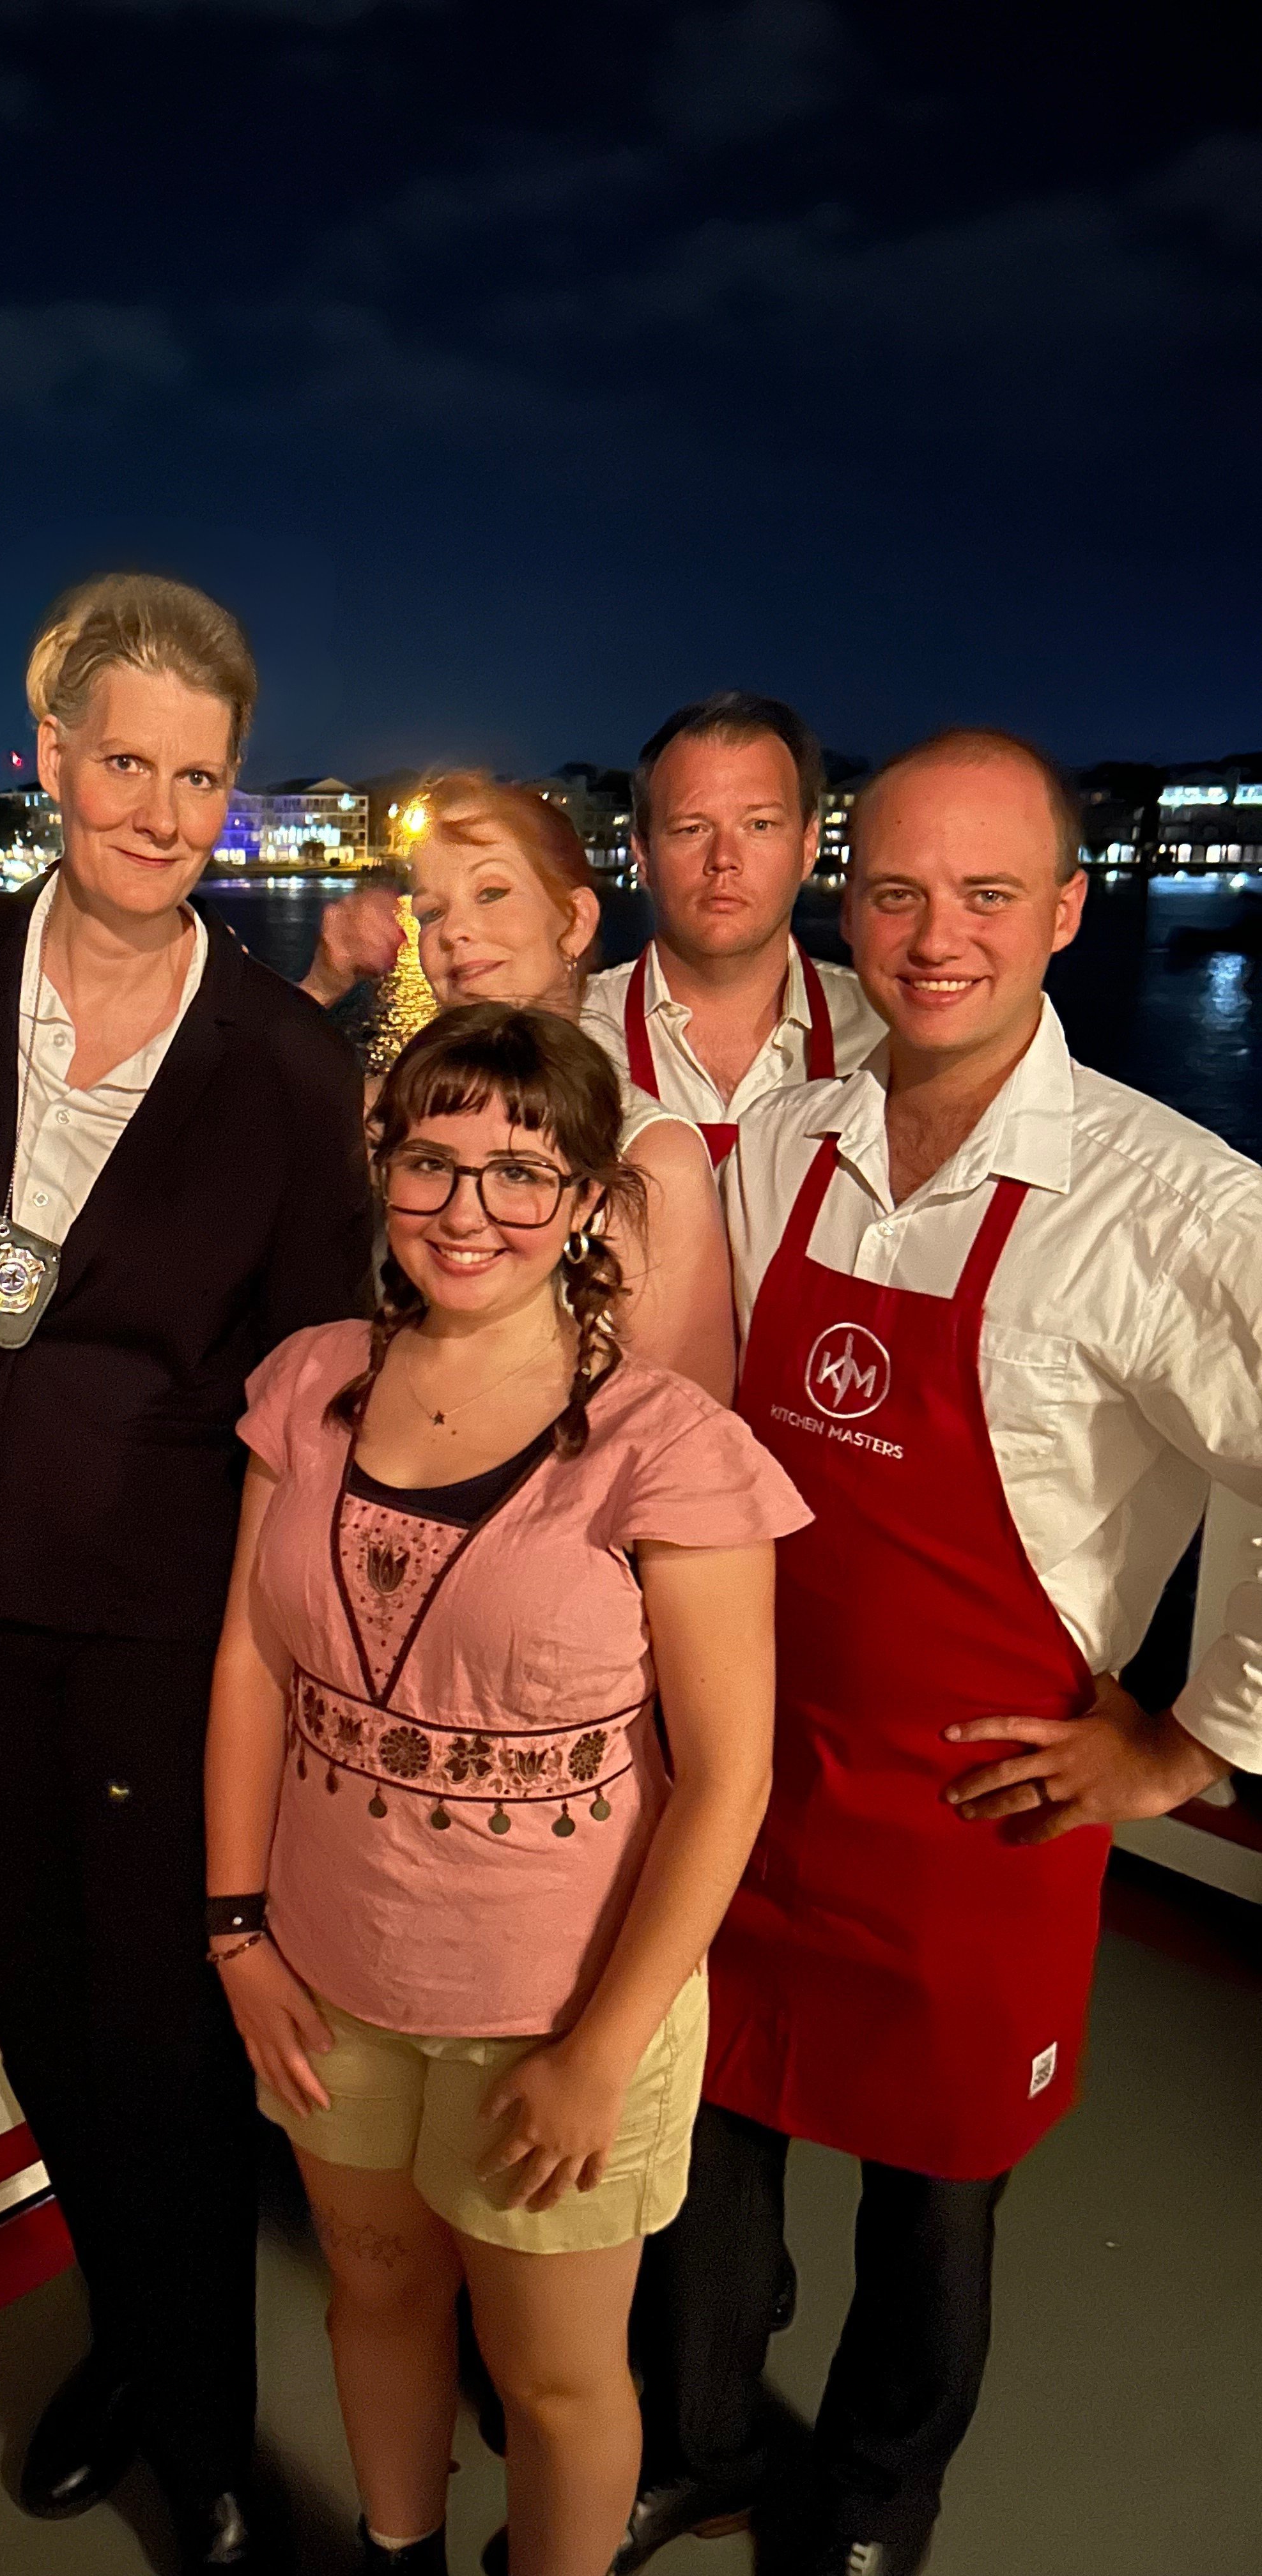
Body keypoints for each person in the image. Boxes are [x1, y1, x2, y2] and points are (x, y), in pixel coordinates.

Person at [0, 573, 373, 2570]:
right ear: (49, 757)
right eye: (125, 763)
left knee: (165, 2054)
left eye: (198, 779)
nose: (158, 812)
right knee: (39, 2015)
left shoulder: (286, 1068)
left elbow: (311, 1397)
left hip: (157, 1636)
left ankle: (204, 2451)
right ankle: (133, 2339)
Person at [624, 730, 1262, 2576]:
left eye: (988, 894)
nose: (934, 937)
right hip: (752, 1762)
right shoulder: (791, 1146)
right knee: (709, 2137)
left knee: (935, 2195)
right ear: (851, 901)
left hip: (978, 1800)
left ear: (1067, 910)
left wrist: (1196, 1741)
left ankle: (877, 2502)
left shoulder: (1169, 1204)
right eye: (897, 892)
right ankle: (701, 2443)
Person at [204, 1005, 808, 2576]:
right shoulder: (310, 1386)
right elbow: (253, 1667)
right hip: (328, 1978)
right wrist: (237, 1931)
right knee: (377, 2295)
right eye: (432, 1161)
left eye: (522, 1173)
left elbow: (727, 1778)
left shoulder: (667, 1449)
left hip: (553, 2004)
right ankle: (398, 2548)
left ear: (590, 1202)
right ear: (385, 1173)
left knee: (554, 2376)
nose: (468, 1209)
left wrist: (603, 2052)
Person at [302, 771, 737, 1404]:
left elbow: (687, 1422)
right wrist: (321, 984)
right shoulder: (384, 1113)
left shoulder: (649, 1156)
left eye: (492, 892)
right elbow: (215, 1128)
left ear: (575, 922)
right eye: (432, 912)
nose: (454, 931)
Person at [578, 693, 882, 1164]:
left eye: (759, 825)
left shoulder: (885, 1040)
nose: (724, 859)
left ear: (808, 846)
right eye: (692, 829)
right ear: (644, 854)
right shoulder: (575, 1036)